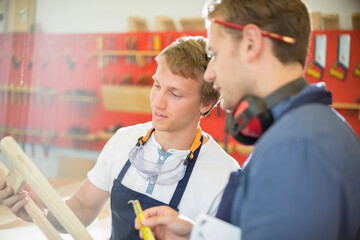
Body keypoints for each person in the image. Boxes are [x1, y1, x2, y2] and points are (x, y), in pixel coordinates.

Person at [135, 0, 360, 239]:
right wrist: (195, 234)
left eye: (215, 54)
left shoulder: (296, 147)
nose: (210, 74)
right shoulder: (313, 130)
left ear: (251, 43)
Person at [0, 36, 240, 239]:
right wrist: (38, 210)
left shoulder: (225, 176)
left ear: (207, 102)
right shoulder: (124, 140)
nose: (158, 102)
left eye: (175, 94)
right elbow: (83, 207)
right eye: (156, 86)